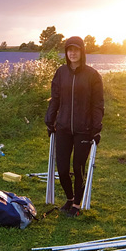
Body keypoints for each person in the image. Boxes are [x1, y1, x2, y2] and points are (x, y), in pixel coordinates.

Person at [45, 36, 104, 217]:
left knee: (78, 167)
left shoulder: (92, 75)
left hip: (83, 129)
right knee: (62, 169)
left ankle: (77, 204)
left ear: (82, 51)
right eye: (69, 50)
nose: (72, 53)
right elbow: (55, 98)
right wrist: (50, 119)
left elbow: (97, 104)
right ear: (66, 52)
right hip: (62, 127)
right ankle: (69, 198)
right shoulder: (60, 72)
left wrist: (96, 128)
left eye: (76, 50)